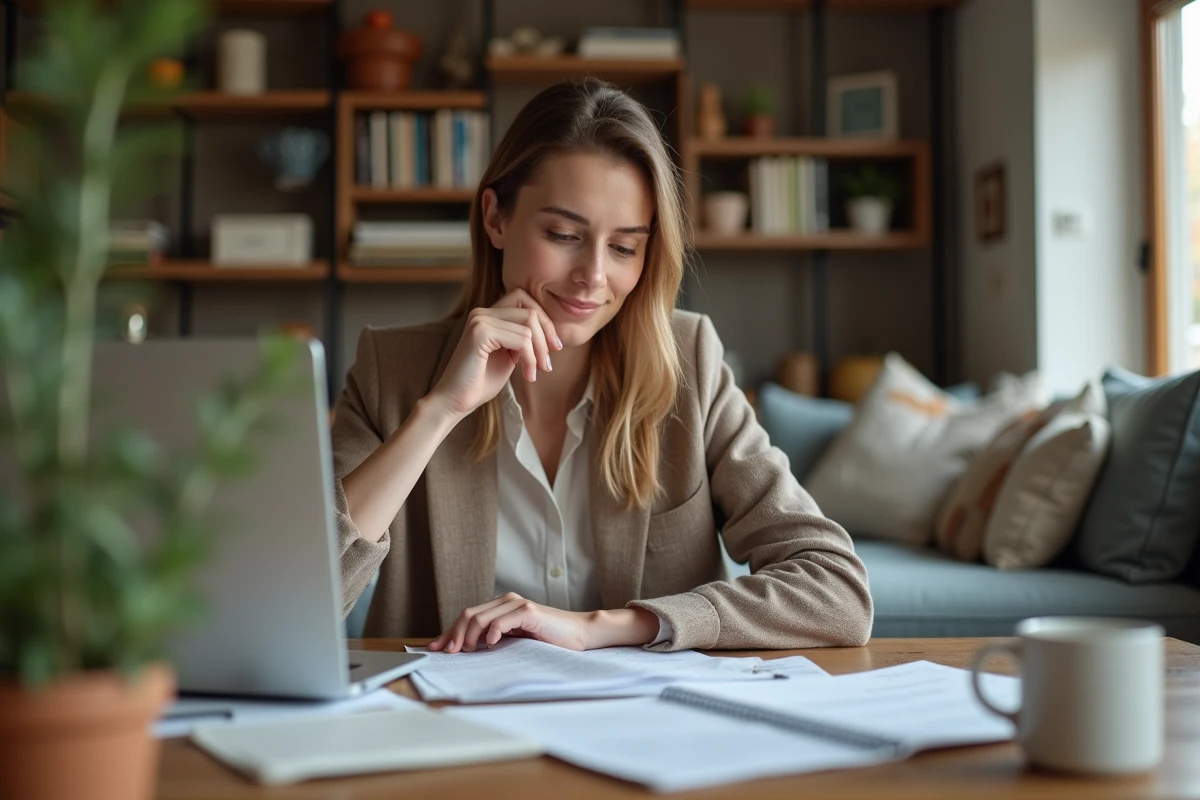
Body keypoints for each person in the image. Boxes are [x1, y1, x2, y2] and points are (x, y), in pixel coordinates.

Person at [333, 78, 872, 654]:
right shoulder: (392, 370)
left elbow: (837, 591)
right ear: (495, 218)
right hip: (447, 728)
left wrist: (604, 627)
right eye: (563, 234)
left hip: (642, 727)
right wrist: (439, 411)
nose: (593, 276)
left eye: (623, 247)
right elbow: (299, 598)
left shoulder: (690, 360)